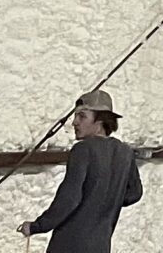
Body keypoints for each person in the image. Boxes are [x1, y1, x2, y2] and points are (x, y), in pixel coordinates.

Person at [17, 90, 142, 250]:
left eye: (82, 116)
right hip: (100, 245)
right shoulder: (125, 152)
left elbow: (69, 199)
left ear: (100, 121)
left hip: (70, 244)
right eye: (75, 116)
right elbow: (135, 193)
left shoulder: (83, 149)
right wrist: (106, 199)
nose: (75, 122)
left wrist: (37, 226)